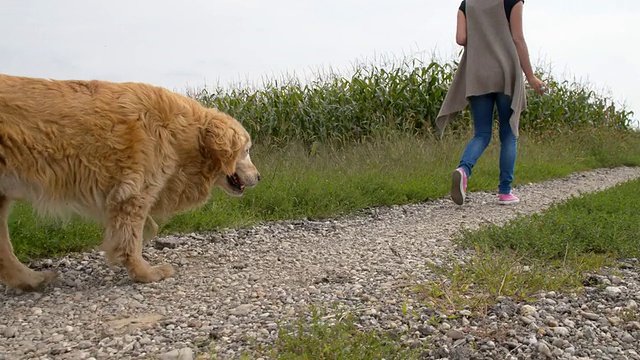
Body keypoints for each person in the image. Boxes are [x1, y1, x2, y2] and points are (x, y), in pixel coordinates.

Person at [435, 0, 546, 206]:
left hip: (477, 73)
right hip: (505, 72)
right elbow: (518, 38)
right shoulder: (512, 0)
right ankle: (505, 192)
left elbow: (461, 39)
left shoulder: (467, 3)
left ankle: (463, 170)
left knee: (482, 134)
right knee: (509, 133)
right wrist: (530, 76)